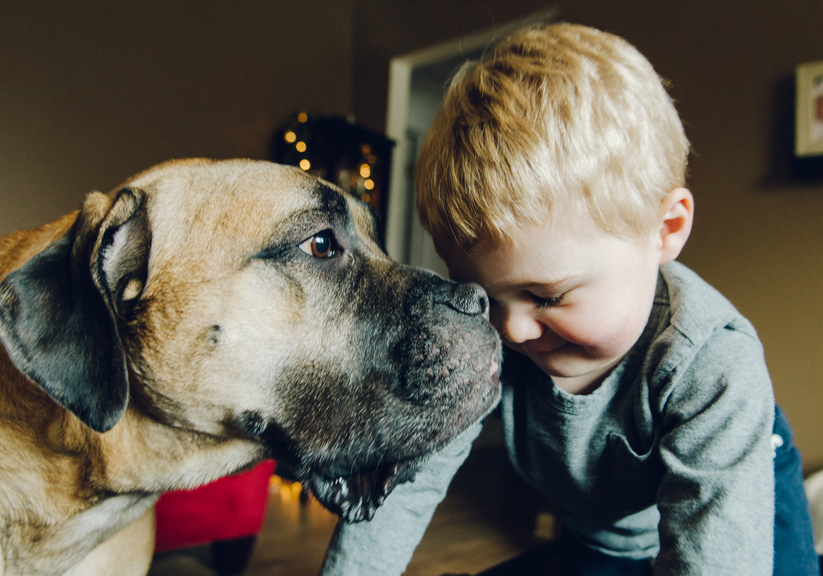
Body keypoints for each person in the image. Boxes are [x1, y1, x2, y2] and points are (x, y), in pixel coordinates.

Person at [319, 23, 819, 575]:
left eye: (546, 295)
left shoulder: (714, 368)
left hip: (743, 506)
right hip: (607, 540)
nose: (512, 330)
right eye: (485, 299)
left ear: (665, 229)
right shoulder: (494, 340)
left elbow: (718, 562)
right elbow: (412, 484)